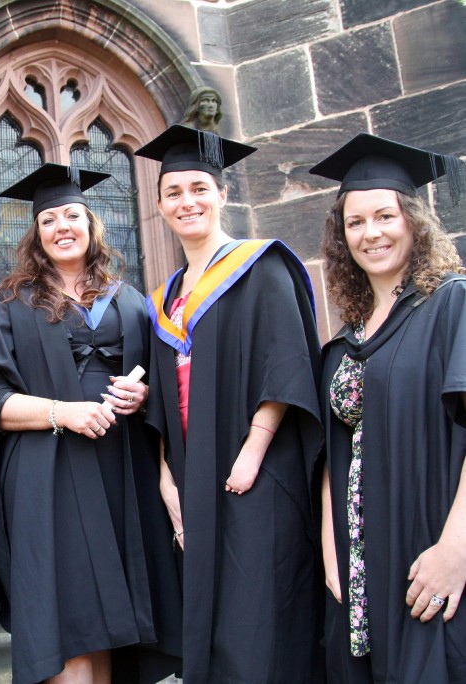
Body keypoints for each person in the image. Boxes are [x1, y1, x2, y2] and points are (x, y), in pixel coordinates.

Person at [0, 164, 181, 684]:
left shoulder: (129, 299)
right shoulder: (13, 303)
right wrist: (62, 412)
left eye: (72, 216)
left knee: (108, 623)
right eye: (49, 220)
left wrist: (142, 395)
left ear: (91, 223)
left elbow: (165, 390)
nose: (62, 226)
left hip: (120, 474)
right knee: (71, 621)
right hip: (48, 476)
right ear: (36, 234)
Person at [135, 125, 324, 683]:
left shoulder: (261, 266)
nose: (186, 201)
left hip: (253, 471)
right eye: (173, 192)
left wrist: (253, 448)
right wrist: (168, 475)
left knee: (256, 616)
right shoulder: (166, 295)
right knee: (210, 622)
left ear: (221, 193)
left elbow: (286, 362)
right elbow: (166, 393)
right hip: (194, 474)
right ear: (160, 204)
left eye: (198, 188)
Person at [310, 133, 466, 684]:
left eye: (384, 216)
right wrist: (333, 552)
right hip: (356, 563)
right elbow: (337, 449)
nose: (370, 233)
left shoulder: (451, 303)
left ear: (414, 222)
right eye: (355, 222)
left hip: (429, 545)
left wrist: (456, 548)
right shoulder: (345, 339)